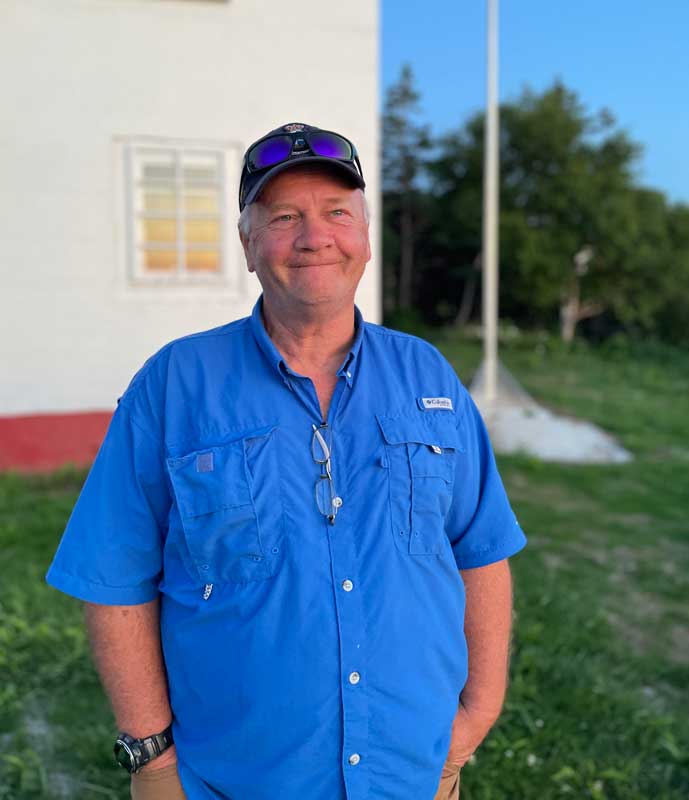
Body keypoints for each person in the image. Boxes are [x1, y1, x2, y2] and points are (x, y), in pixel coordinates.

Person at [46, 122, 526, 800]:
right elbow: (115, 575)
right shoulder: (176, 383)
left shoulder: (429, 376)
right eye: (283, 217)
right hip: (233, 780)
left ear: (364, 238)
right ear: (247, 244)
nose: (314, 237)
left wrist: (476, 715)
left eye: (336, 213)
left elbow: (480, 551)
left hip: (412, 774)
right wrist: (152, 759)